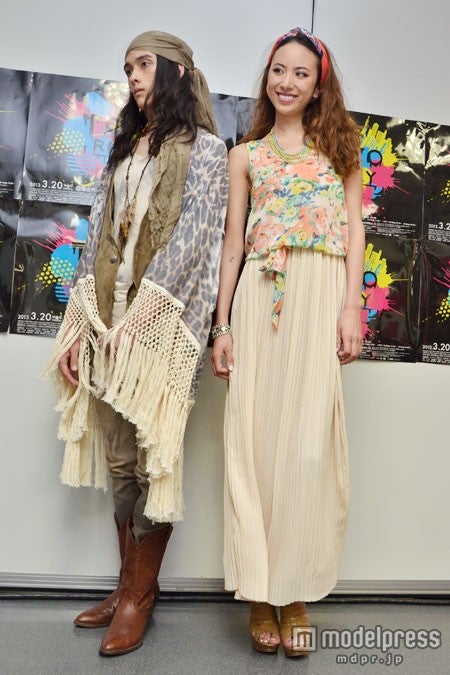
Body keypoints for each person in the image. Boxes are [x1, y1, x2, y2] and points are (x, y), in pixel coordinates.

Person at [42, 31, 227, 656]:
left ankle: (138, 600)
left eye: (144, 64)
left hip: (160, 327)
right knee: (121, 463)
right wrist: (79, 326)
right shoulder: (125, 149)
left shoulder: (207, 151)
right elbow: (97, 239)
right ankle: (128, 588)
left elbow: (195, 242)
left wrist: (141, 319)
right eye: (128, 67)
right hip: (107, 322)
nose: (134, 76)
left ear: (177, 71)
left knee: (153, 463)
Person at [211, 26, 364, 658]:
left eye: (301, 73)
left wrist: (351, 306)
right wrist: (222, 324)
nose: (287, 82)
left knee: (304, 449)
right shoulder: (245, 156)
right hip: (259, 300)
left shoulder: (341, 153)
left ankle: (294, 590)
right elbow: (232, 244)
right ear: (266, 77)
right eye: (279, 70)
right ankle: (258, 589)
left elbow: (354, 232)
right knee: (253, 443)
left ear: (318, 84)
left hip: (319, 298)